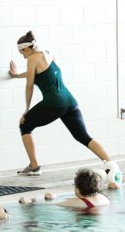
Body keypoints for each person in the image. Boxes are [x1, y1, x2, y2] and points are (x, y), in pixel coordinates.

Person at [8, 31, 112, 175]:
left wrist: (26, 110)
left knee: (24, 125)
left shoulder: (32, 58)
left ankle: (34, 166)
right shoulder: (49, 54)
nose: (23, 56)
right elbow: (40, 73)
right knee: (83, 136)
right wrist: (17, 75)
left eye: (22, 53)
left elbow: (29, 86)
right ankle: (111, 165)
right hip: (70, 102)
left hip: (54, 103)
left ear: (26, 49)